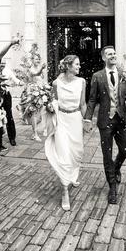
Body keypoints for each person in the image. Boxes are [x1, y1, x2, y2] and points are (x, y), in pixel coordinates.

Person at [84, 46, 126, 204]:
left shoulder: (125, 74)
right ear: (103, 58)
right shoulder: (97, 76)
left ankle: (116, 167)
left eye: (114, 53)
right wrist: (87, 119)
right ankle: (112, 187)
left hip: (121, 119)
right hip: (105, 120)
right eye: (109, 54)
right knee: (107, 155)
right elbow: (92, 99)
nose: (113, 56)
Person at [45, 55, 86, 211]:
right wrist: (50, 106)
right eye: (77, 64)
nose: (79, 67)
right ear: (68, 66)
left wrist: (86, 122)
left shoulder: (82, 82)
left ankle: (73, 176)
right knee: (63, 155)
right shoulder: (56, 83)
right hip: (61, 120)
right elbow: (53, 100)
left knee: (77, 152)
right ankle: (64, 191)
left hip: (76, 119)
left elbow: (83, 103)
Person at [19, 53, 48, 142]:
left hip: (41, 91)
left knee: (42, 112)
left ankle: (43, 129)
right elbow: (36, 74)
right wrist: (41, 68)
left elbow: (42, 80)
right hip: (33, 93)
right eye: (36, 59)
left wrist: (46, 87)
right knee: (34, 113)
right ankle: (34, 134)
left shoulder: (40, 69)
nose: (38, 60)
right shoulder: (31, 69)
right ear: (32, 60)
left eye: (39, 59)